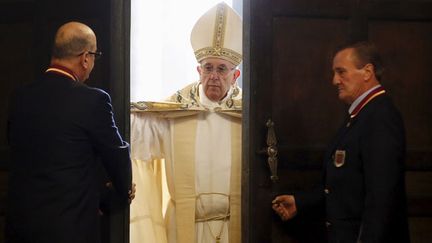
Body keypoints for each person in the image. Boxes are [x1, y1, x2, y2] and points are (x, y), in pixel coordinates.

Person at [6, 21, 133, 243]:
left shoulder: (20, 97)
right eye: (95, 56)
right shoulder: (93, 100)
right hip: (70, 228)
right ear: (85, 58)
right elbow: (116, 155)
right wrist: (121, 193)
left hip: (20, 227)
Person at [272, 41, 410, 242]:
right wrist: (300, 202)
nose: (334, 80)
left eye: (341, 72)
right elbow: (345, 184)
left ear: (367, 72)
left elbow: (381, 198)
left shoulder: (380, 117)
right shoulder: (362, 115)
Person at [129, 2, 242, 243]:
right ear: (198, 71)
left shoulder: (248, 113)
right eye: (208, 68)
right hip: (185, 228)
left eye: (222, 69)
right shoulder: (176, 109)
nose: (213, 75)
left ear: (235, 75)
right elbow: (137, 137)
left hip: (236, 225)